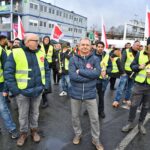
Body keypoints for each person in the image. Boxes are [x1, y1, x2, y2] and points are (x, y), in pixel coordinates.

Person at [4, 33, 50, 146]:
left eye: (38, 40)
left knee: (35, 113)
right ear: (27, 42)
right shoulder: (16, 53)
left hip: (38, 91)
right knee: (23, 115)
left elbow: (47, 70)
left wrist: (45, 85)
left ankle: (34, 131)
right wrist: (15, 90)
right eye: (35, 40)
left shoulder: (41, 53)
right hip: (22, 92)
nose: (38, 42)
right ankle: (23, 133)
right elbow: (8, 73)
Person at [69, 38, 104, 150]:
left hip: (90, 94)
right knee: (75, 117)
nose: (84, 47)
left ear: (90, 47)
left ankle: (96, 139)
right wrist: (90, 76)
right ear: (78, 46)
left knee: (94, 118)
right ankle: (78, 134)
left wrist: (81, 72)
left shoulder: (95, 59)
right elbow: (73, 76)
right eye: (82, 45)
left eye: (87, 45)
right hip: (76, 94)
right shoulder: (73, 59)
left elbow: (97, 73)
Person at [122, 37, 150, 135]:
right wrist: (138, 67)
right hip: (139, 85)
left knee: (146, 107)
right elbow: (132, 66)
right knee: (134, 105)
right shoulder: (140, 53)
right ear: (148, 45)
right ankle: (130, 123)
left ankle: (141, 124)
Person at [0, 35, 18, 139]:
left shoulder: (2, 51)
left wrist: (6, 88)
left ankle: (12, 129)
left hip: (1, 85)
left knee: (3, 108)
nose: (7, 41)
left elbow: (7, 70)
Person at [113, 40, 140, 107]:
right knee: (121, 87)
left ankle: (126, 99)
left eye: (139, 46)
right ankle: (116, 100)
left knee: (130, 88)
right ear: (133, 45)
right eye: (137, 45)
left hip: (133, 73)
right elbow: (122, 62)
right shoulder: (127, 51)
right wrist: (123, 72)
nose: (138, 47)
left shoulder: (139, 53)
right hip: (125, 73)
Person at [95, 41, 112, 118]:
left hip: (102, 80)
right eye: (98, 46)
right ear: (96, 47)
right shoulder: (91, 55)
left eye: (102, 47)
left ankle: (101, 110)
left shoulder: (106, 56)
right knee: (91, 96)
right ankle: (89, 109)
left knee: (101, 96)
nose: (100, 48)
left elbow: (110, 67)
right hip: (93, 79)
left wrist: (106, 71)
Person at [40, 36, 53, 108]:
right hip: (41, 65)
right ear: (43, 40)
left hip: (49, 66)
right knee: (41, 81)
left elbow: (53, 56)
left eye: (48, 39)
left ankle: (45, 99)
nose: (46, 40)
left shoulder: (51, 47)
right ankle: (43, 97)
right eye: (45, 39)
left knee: (47, 81)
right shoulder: (40, 46)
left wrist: (53, 64)